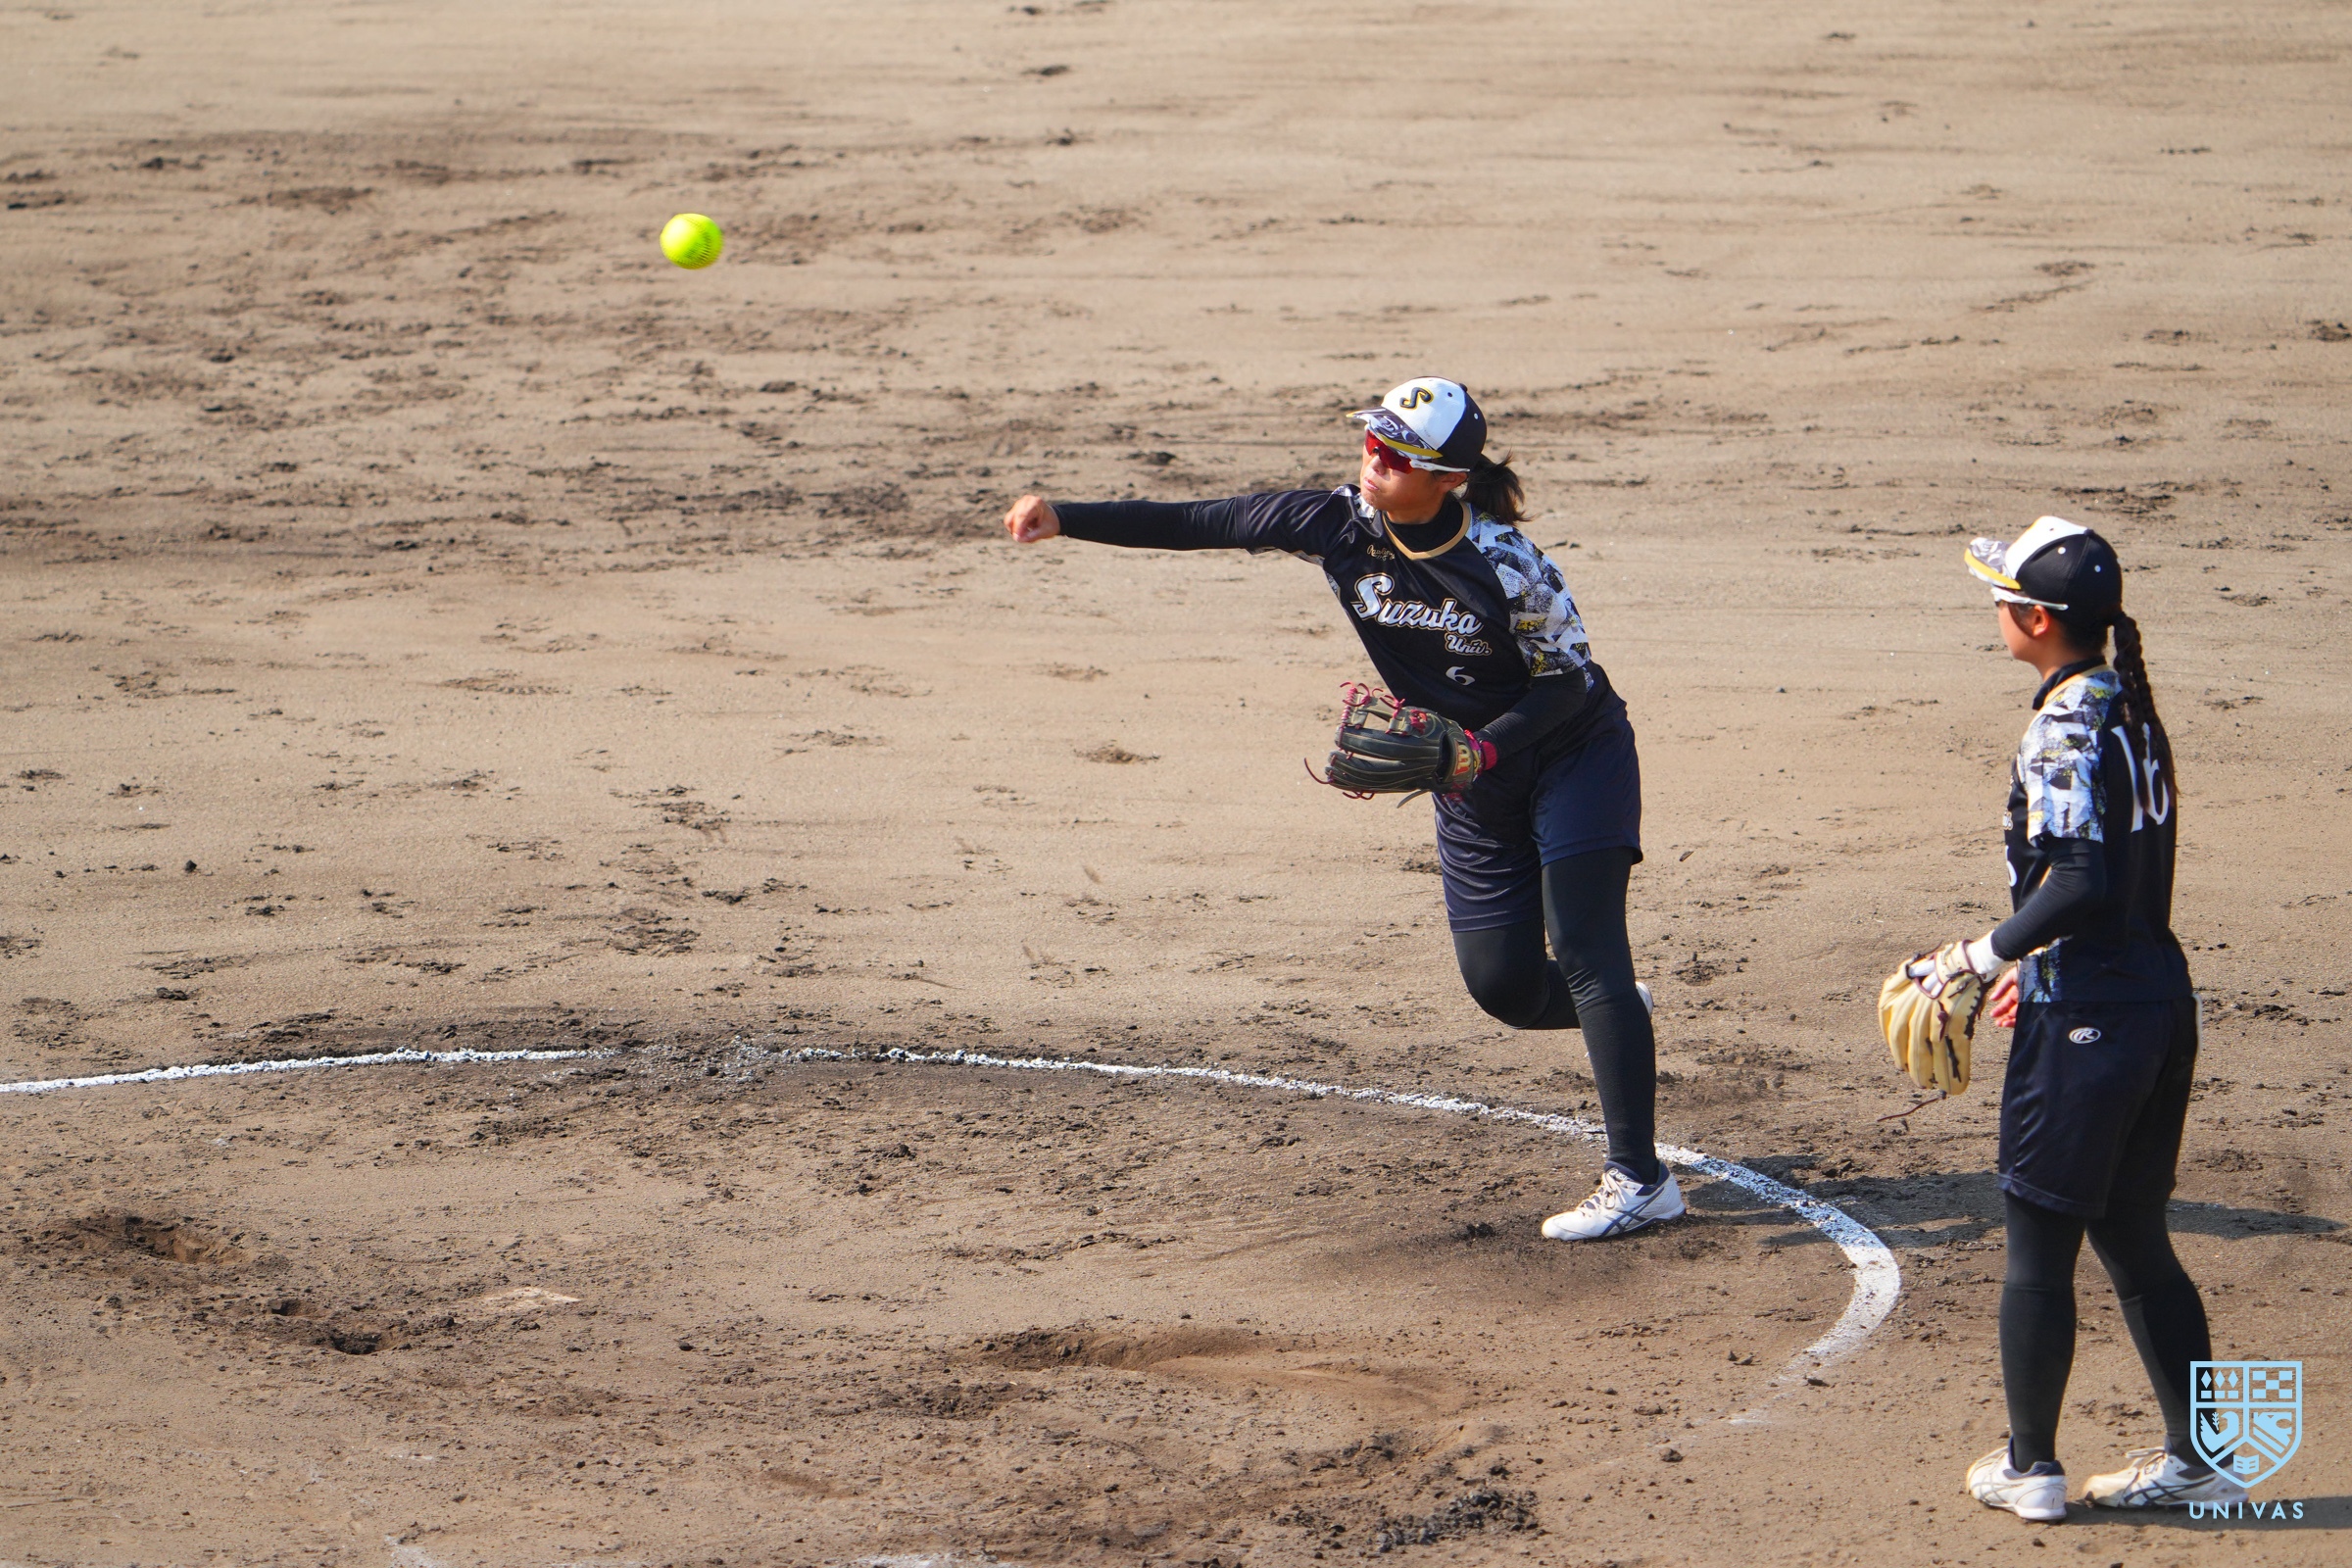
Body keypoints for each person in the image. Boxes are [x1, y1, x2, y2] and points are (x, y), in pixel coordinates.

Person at [1001, 378, 1681, 1241]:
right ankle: (1616, 1009)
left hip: (1571, 755)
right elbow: (1207, 519)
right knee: (1503, 987)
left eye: (1397, 454)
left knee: (1585, 949)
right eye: (1373, 440)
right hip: (1467, 780)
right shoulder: (1334, 524)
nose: (1374, 458)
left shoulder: (1510, 564)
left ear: (1448, 479)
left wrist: (1485, 747)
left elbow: (1567, 685)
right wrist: (1066, 516)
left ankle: (1641, 1180)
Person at [1918, 516, 2243, 1520]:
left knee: (2038, 1250)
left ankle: (2032, 1470)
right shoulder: (2128, 705)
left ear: (2036, 619)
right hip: (2156, 1002)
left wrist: (1978, 956)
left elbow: (2079, 877)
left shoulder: (2063, 720)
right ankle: (2201, 1458)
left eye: (2001, 597)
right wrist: (2042, 957)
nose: (1993, 609)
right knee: (2137, 1239)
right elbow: (2115, 886)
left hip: (2088, 1022)